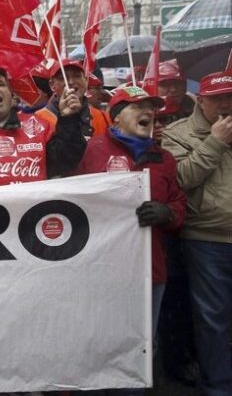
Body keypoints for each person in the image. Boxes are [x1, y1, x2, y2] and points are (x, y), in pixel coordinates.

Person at [75, 86, 186, 341]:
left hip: (150, 267)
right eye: (138, 107)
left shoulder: (164, 158)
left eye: (151, 108)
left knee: (144, 340)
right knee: (104, 336)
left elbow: (179, 204)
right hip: (102, 269)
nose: (147, 112)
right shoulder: (92, 150)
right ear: (115, 116)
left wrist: (167, 213)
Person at [161, 68, 232, 395]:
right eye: (217, 99)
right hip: (207, 239)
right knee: (213, 321)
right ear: (201, 101)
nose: (225, 105)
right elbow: (181, 179)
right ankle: (217, 386)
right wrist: (216, 143)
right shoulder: (177, 134)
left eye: (230, 98)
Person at [35, 59, 110, 140]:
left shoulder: (104, 117)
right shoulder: (38, 118)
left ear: (86, 81)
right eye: (62, 78)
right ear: (52, 84)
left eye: (77, 76)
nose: (70, 82)